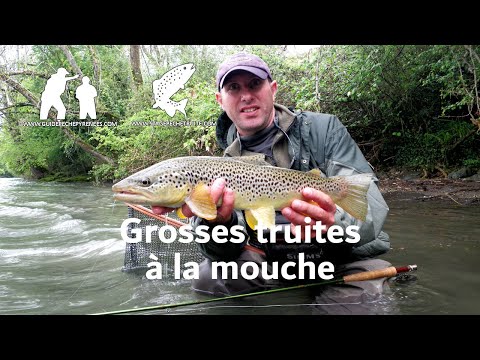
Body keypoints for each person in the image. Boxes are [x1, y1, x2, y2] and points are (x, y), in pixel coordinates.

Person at [152, 52, 392, 314]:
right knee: (209, 279)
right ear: (221, 100)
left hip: (340, 259)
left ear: (272, 89)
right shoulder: (221, 166)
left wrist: (334, 223)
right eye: (234, 88)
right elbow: (219, 251)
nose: (246, 96)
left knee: (364, 299)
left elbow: (370, 211)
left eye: (254, 84)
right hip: (269, 262)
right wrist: (220, 223)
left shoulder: (324, 130)